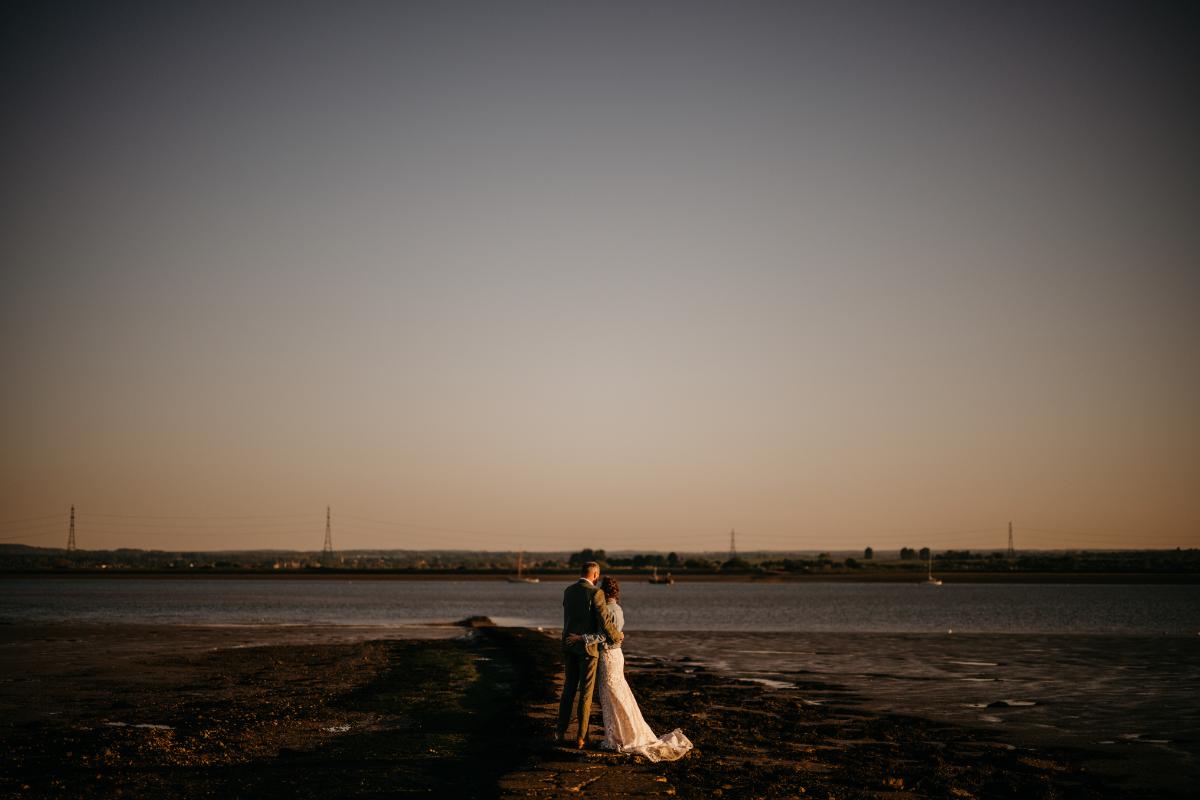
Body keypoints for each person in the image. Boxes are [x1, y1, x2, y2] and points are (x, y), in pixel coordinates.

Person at [569, 576, 693, 762]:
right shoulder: (618, 609)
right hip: (617, 655)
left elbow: (604, 637)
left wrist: (580, 638)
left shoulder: (606, 610)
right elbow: (615, 635)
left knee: (612, 696)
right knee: (619, 694)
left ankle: (620, 737)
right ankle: (622, 734)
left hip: (608, 656)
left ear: (603, 592)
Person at [557, 561, 624, 748]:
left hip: (568, 646)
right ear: (595, 574)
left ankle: (560, 732)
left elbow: (572, 617)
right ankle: (581, 737)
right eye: (597, 575)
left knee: (568, 690)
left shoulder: (568, 591)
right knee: (586, 694)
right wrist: (618, 635)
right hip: (588, 651)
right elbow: (605, 623)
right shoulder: (596, 593)